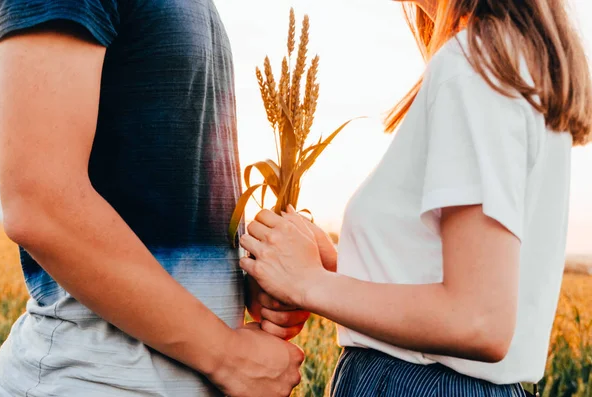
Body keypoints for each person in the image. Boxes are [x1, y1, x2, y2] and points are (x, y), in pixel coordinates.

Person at [239, 0, 592, 396]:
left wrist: (310, 283)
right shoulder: (518, 64)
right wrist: (340, 266)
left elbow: (478, 319)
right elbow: (457, 280)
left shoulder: (475, 63)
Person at [0, 0, 307, 396]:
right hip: (90, 382)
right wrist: (226, 354)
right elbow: (40, 204)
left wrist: (247, 278)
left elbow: (164, 191)